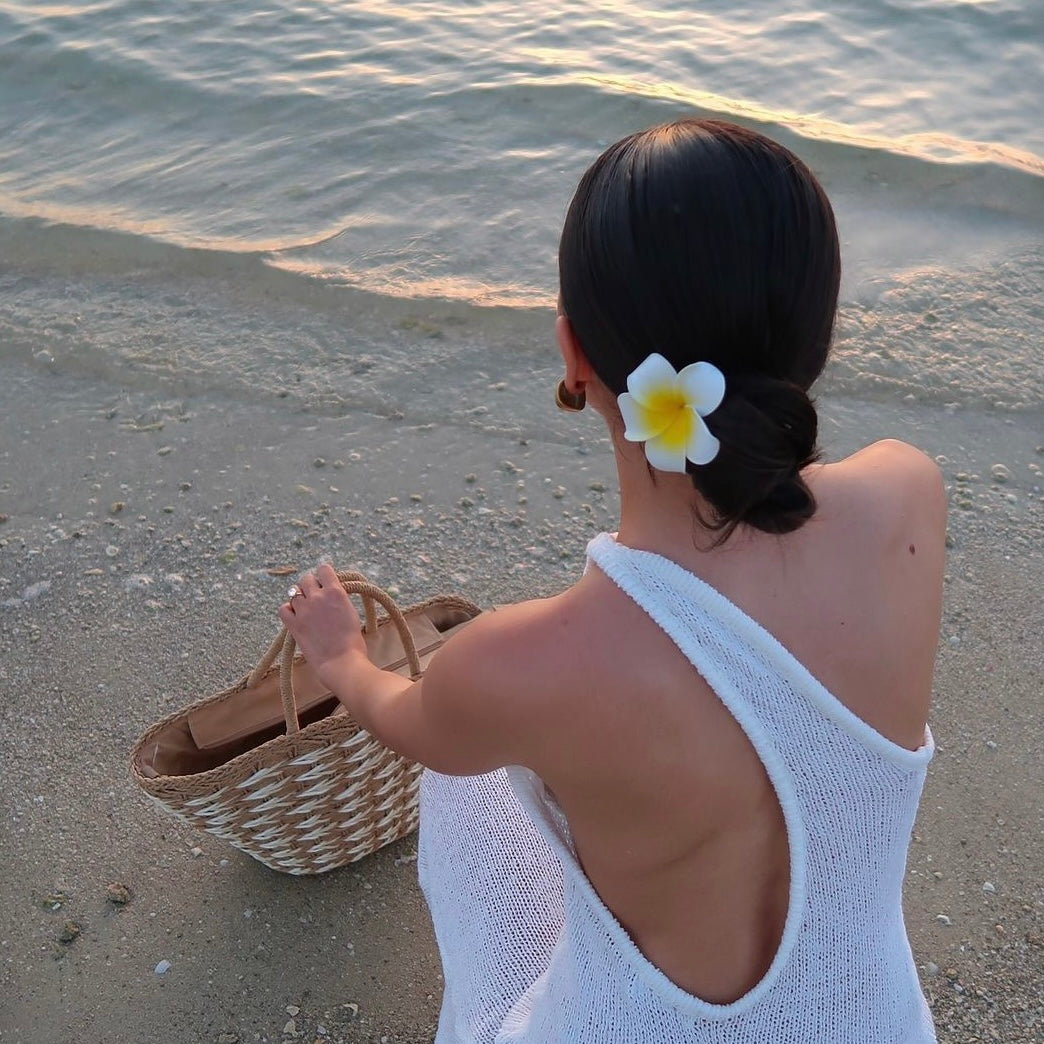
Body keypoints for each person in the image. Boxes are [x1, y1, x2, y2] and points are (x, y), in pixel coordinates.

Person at [279, 117, 945, 1043]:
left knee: (469, 774)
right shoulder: (907, 498)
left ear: (574, 354)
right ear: (818, 332)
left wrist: (342, 656)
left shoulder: (516, 661)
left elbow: (402, 723)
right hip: (871, 1020)